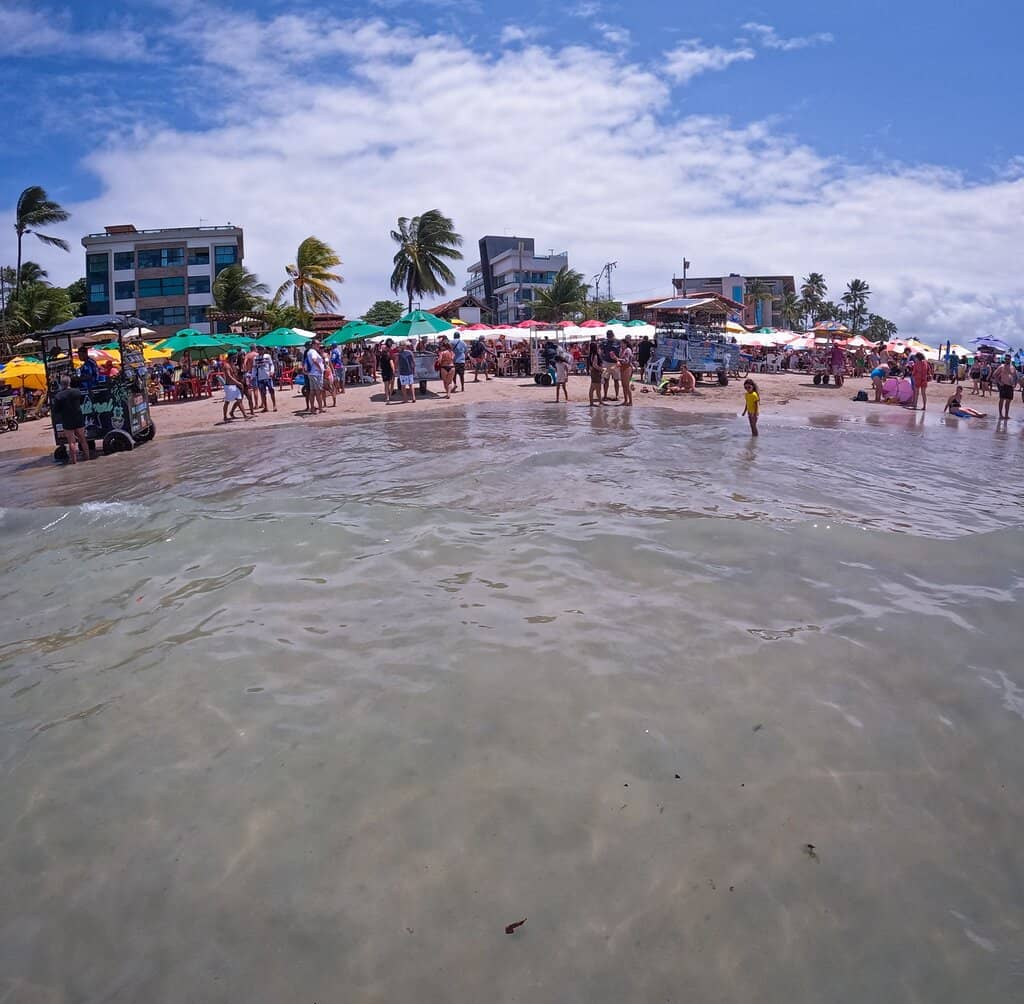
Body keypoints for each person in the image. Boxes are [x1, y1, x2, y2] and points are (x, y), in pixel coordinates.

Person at [52, 374, 89, 463]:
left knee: (71, 442)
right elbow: (81, 401)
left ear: (61, 384)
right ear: (69, 383)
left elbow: (56, 410)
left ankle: (74, 462)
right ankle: (87, 459)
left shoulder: (58, 396)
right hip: (78, 418)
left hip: (67, 420)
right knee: (82, 439)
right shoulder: (77, 392)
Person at [221, 354, 248, 422]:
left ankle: (245, 415)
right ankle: (225, 416)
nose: (235, 359)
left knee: (239, 400)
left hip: (234, 385)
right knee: (227, 402)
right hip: (229, 386)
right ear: (230, 357)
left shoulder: (232, 365)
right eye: (234, 358)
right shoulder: (226, 365)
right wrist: (238, 383)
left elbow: (235, 374)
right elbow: (229, 376)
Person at [302, 340, 326, 415]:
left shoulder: (309, 352)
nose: (319, 345)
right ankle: (320, 408)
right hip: (316, 374)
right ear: (313, 344)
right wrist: (320, 368)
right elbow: (314, 360)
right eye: (318, 344)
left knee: (312, 392)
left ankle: (312, 408)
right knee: (318, 391)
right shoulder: (313, 352)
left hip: (311, 374)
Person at [992, 355, 1017, 420]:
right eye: (1005, 359)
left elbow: (1014, 376)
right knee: (1002, 400)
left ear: (1010, 360)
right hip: (1003, 385)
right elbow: (994, 374)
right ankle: (1000, 414)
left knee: (1008, 401)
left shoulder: (1013, 367)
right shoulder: (1001, 367)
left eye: (1008, 359)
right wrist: (999, 382)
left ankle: (1006, 415)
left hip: (1010, 386)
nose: (1006, 360)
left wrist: (1014, 384)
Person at [255, 345, 277, 412]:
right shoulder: (256, 358)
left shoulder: (267, 356)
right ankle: (265, 407)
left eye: (261, 349)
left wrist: (272, 371)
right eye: (258, 349)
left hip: (268, 376)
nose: (260, 351)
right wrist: (252, 376)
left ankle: (274, 405)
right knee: (262, 393)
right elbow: (254, 368)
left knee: (271, 391)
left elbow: (271, 364)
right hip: (260, 378)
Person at [600, 330, 620, 401]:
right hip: (606, 362)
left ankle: (617, 395)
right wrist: (603, 359)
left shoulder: (618, 342)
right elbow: (601, 352)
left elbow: (620, 352)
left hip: (615, 363)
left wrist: (618, 360)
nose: (609, 337)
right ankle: (605, 395)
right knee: (606, 379)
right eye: (608, 336)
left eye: (610, 336)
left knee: (616, 380)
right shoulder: (604, 342)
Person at [587, 336, 603, 407]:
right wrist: (602, 369)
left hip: (593, 373)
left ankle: (591, 403)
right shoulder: (595, 355)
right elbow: (595, 365)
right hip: (596, 373)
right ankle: (600, 402)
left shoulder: (591, 355)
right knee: (598, 388)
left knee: (592, 388)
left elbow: (592, 365)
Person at [618, 335, 634, 406]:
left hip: (627, 368)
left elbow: (626, 361)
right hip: (622, 368)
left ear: (625, 344)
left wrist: (618, 359)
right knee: (623, 385)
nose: (621, 345)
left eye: (622, 343)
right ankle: (625, 400)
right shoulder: (622, 350)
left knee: (626, 385)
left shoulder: (628, 350)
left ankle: (630, 401)